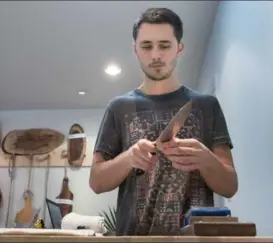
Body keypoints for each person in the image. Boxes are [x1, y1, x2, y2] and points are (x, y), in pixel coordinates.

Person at [89, 7, 238, 236]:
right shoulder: (118, 108)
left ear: (179, 49)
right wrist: (129, 158)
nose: (156, 55)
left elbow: (230, 186)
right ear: (135, 50)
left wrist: (206, 159)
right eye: (147, 46)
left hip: (194, 240)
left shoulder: (207, 105)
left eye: (165, 46)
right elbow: (96, 182)